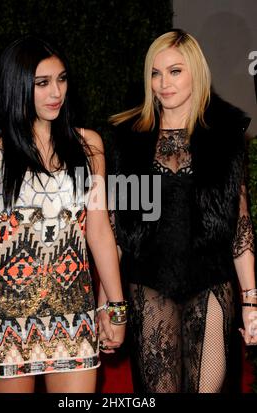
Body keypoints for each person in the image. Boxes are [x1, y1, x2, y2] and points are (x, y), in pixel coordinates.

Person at [0, 36, 126, 393]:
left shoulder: (88, 145)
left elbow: (99, 233)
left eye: (62, 79)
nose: (56, 93)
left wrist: (116, 307)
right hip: (6, 321)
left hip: (75, 319)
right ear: (17, 84)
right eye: (42, 83)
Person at [105, 29, 257, 393]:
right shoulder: (131, 140)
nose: (163, 83)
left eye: (175, 71)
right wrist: (109, 307)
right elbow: (117, 234)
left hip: (210, 281)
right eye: (155, 74)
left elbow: (240, 225)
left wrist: (251, 301)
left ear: (196, 72)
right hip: (150, 283)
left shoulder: (223, 134)